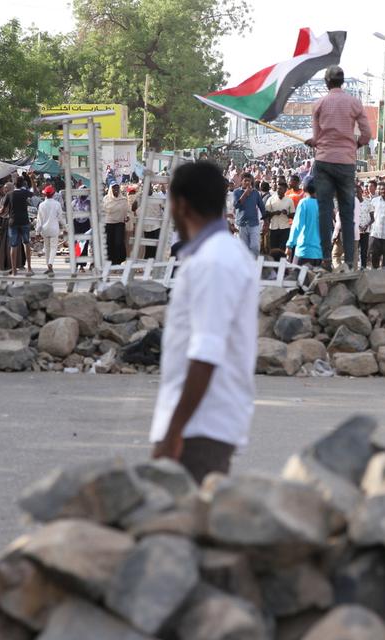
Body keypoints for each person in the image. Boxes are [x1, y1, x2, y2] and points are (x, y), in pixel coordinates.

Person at [150, 161, 258, 484]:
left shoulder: (214, 260)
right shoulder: (219, 254)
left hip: (199, 428)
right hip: (202, 423)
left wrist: (174, 430)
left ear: (181, 205)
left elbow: (206, 352)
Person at [307, 65, 371, 270]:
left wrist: (313, 142)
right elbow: (366, 135)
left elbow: (317, 138)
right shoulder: (354, 103)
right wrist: (355, 144)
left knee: (325, 211)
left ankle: (326, 259)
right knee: (347, 212)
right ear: (342, 82)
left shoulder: (319, 104)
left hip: (324, 161)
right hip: (345, 162)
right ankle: (350, 263)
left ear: (326, 82)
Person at [285, 180, 322, 266]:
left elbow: (297, 226)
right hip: (319, 253)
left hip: (304, 251)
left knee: (297, 278)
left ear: (304, 189)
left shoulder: (303, 203)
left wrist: (289, 245)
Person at [2, 176, 33, 276]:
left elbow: (3, 209)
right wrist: (32, 179)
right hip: (24, 221)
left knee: (13, 245)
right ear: (23, 184)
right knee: (26, 243)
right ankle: (29, 268)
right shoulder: (24, 193)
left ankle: (14, 270)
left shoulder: (9, 194)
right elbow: (34, 192)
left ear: (14, 184)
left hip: (13, 222)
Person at [233, 173, 265, 257]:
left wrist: (266, 221)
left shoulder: (255, 193)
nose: (247, 183)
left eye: (249, 181)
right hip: (241, 224)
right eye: (245, 181)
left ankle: (254, 265)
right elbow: (236, 205)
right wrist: (245, 194)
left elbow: (261, 206)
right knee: (243, 249)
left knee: (255, 247)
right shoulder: (236, 192)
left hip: (254, 224)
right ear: (241, 182)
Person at [36, 185, 64, 276]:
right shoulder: (57, 204)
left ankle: (48, 267)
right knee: (53, 248)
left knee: (47, 248)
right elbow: (61, 218)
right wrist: (66, 228)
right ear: (53, 194)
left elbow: (39, 220)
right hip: (54, 229)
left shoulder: (41, 205)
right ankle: (50, 264)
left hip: (45, 230)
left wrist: (37, 232)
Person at [265, 181, 295, 256]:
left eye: (281, 189)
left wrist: (287, 213)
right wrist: (274, 213)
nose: (278, 190)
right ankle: (274, 266)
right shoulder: (271, 199)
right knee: (273, 250)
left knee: (282, 250)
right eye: (278, 189)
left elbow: (293, 215)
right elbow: (266, 214)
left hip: (285, 228)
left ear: (285, 190)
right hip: (273, 228)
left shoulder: (289, 200)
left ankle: (281, 266)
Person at [103, 183, 129, 265]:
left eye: (117, 188)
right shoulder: (106, 199)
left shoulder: (124, 200)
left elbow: (127, 210)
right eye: (114, 188)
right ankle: (111, 262)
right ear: (111, 189)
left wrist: (127, 216)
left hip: (120, 223)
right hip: (109, 223)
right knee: (109, 242)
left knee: (119, 242)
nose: (116, 190)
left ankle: (120, 260)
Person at [358, 184, 374, 270]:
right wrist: (358, 226)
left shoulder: (368, 202)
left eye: (358, 191)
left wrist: (366, 226)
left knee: (364, 251)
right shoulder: (352, 203)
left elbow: (372, 218)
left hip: (365, 231)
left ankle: (363, 267)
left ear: (362, 191)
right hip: (355, 231)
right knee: (355, 251)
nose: (356, 193)